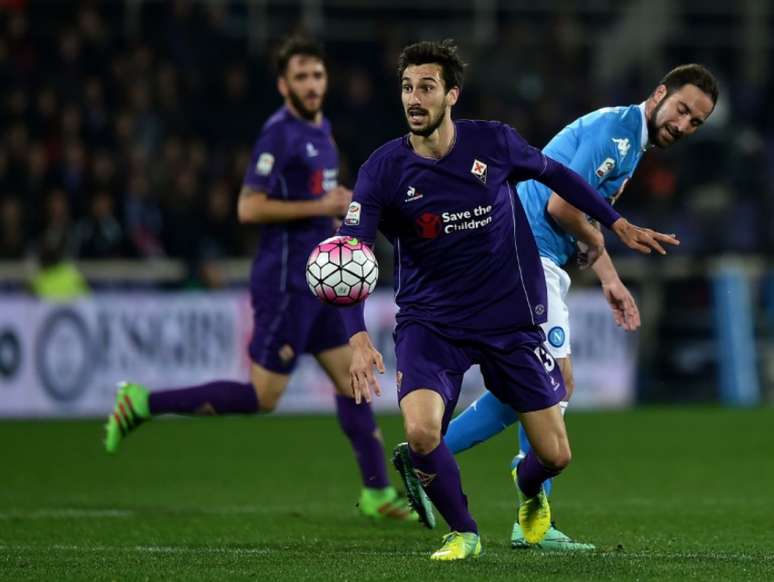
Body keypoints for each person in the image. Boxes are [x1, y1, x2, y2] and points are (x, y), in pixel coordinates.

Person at [336, 39, 678, 561]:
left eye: (426, 87)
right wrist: (357, 337)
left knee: (555, 456)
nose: (414, 98)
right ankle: (464, 531)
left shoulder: (492, 144)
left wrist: (617, 223)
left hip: (508, 320)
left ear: (452, 94)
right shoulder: (382, 170)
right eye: (407, 87)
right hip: (432, 322)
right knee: (423, 432)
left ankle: (527, 488)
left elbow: (558, 176)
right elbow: (348, 258)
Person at [394, 64, 720, 550]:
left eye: (696, 121)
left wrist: (609, 278)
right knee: (555, 382)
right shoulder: (617, 135)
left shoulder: (628, 139)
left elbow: (581, 209)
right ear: (659, 94)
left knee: (529, 384)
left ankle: (426, 457)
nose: (684, 123)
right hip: (530, 257)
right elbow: (562, 209)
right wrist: (599, 236)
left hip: (539, 259)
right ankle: (529, 521)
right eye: (682, 109)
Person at [104, 36, 417, 523]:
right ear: (282, 84)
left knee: (352, 381)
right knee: (262, 397)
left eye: (317, 76)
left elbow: (322, 203)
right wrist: (324, 206)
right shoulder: (279, 135)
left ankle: (376, 491)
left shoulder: (323, 131)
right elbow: (248, 207)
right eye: (301, 78)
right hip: (287, 286)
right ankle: (142, 402)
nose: (312, 86)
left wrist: (339, 219)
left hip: (320, 284)